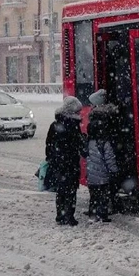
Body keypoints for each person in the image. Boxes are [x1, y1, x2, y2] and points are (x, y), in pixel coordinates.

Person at [45, 96, 85, 226]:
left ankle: (60, 215)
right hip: (70, 162)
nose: (79, 113)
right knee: (71, 191)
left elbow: (49, 144)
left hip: (58, 163)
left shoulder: (55, 124)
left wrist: (51, 158)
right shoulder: (73, 125)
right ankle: (69, 216)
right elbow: (78, 144)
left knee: (61, 190)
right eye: (77, 111)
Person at [87, 89, 123, 215]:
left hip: (101, 151)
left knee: (98, 186)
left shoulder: (96, 118)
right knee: (107, 182)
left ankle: (99, 209)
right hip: (111, 148)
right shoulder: (110, 114)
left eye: (92, 104)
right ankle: (109, 205)